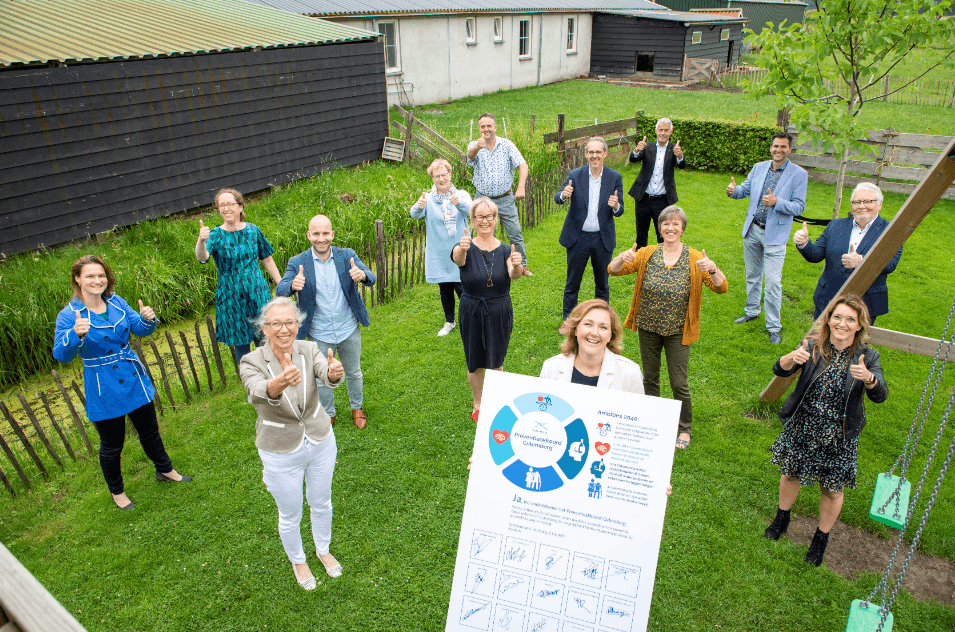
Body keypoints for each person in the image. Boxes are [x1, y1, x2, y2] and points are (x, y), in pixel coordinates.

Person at [53, 255, 190, 510]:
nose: (97, 280)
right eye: (90, 276)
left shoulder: (116, 302)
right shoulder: (68, 315)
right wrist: (74, 334)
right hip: (103, 385)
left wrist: (148, 318)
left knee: (150, 431)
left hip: (132, 375)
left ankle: (165, 469)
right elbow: (61, 355)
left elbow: (139, 328)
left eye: (101, 275)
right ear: (78, 279)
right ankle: (117, 492)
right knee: (112, 445)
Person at [764, 294, 887, 567]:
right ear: (829, 319)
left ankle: (821, 538)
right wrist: (788, 358)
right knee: (790, 473)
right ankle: (781, 518)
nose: (842, 323)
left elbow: (880, 395)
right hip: (803, 426)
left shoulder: (867, 356)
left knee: (831, 489)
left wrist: (868, 379)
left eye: (850, 320)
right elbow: (781, 370)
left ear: (859, 325)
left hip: (839, 436)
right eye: (838, 317)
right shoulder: (812, 345)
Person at [239, 297, 346, 590]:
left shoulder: (309, 349)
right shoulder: (251, 361)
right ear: (264, 327)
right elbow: (258, 391)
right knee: (290, 513)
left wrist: (333, 374)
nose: (284, 329)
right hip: (279, 450)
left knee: (321, 502)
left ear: (298, 324)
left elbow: (326, 371)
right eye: (276, 323)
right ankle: (299, 561)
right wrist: (281, 382)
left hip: (321, 438)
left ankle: (322, 550)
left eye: (289, 322)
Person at [609, 206, 728, 449]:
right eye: (666, 224)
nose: (670, 228)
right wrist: (622, 257)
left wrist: (713, 268)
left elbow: (721, 287)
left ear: (682, 229)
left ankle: (684, 429)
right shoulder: (646, 253)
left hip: (678, 330)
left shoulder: (695, 259)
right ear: (660, 228)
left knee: (678, 382)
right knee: (650, 378)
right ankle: (653, 422)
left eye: (675, 224)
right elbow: (613, 270)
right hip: (648, 326)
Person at [275, 215, 376, 429]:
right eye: (316, 234)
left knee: (354, 371)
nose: (321, 239)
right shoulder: (297, 262)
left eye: (325, 233)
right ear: (309, 235)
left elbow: (371, 276)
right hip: (318, 332)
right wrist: (293, 284)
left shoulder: (346, 255)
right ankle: (328, 414)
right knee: (321, 378)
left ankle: (357, 408)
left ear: (332, 234)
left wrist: (362, 275)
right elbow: (280, 289)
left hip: (348, 328)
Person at [726, 132, 808, 344]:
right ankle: (752, 311)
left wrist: (776, 201)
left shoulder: (798, 174)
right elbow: (745, 189)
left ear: (790, 150)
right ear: (770, 147)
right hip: (753, 230)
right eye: (775, 146)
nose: (778, 150)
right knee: (752, 275)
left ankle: (774, 327)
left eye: (783, 147)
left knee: (772, 282)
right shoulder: (759, 167)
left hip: (776, 235)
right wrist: (733, 191)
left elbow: (799, 206)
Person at [452, 198, 524, 421]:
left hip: (499, 309)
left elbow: (514, 275)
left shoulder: (505, 250)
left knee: (496, 360)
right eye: (480, 217)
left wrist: (516, 265)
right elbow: (458, 260)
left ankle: (494, 401)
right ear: (473, 220)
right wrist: (462, 249)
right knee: (475, 361)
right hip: (472, 308)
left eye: (489, 216)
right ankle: (478, 401)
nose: (485, 221)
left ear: (495, 219)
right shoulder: (464, 246)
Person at [793, 182, 902, 324]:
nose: (861, 206)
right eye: (856, 202)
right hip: (828, 297)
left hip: (865, 302)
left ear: (879, 204)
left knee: (856, 345)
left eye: (867, 201)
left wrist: (861, 261)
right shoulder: (835, 225)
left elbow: (891, 264)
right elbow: (816, 255)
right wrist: (804, 243)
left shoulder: (891, 231)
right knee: (819, 342)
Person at [195, 188, 282, 363]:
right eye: (221, 205)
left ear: (241, 206)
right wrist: (201, 240)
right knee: (241, 345)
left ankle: (273, 380)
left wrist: (281, 284)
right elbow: (202, 257)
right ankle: (251, 384)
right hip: (231, 297)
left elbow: (267, 258)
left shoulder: (252, 230)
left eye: (229, 204)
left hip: (257, 293)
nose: (226, 208)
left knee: (265, 338)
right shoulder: (215, 235)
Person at [555, 137, 625, 321]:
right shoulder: (575, 175)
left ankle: (602, 321)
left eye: (598, 152)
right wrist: (563, 195)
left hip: (602, 239)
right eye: (591, 152)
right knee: (572, 284)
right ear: (586, 154)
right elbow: (558, 197)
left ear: (605, 153)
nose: (595, 156)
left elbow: (620, 210)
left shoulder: (615, 177)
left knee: (602, 285)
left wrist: (616, 206)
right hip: (578, 238)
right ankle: (568, 322)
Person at [410, 158, 473, 336]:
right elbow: (414, 214)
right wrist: (418, 206)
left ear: (450, 174)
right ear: (432, 179)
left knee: (463, 288)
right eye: (437, 176)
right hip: (439, 251)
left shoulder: (460, 194)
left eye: (444, 174)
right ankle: (450, 321)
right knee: (445, 288)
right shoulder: (428, 198)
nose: (441, 179)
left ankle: (470, 320)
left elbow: (471, 211)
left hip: (459, 249)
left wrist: (457, 203)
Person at [467, 112, 533, 277]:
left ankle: (522, 265)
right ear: (479, 129)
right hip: (483, 199)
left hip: (505, 198)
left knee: (515, 232)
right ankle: (488, 266)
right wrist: (477, 146)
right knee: (485, 232)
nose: (486, 129)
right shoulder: (474, 146)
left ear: (495, 127)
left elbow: (523, 165)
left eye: (489, 126)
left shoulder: (506, 145)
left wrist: (521, 187)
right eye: (483, 126)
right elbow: (470, 156)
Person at [540, 299, 643, 392]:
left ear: (610, 336)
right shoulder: (550, 367)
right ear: (575, 329)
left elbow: (638, 412)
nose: (594, 333)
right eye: (588, 324)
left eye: (603, 327)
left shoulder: (630, 373)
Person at [628, 118, 686, 249]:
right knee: (641, 234)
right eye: (661, 130)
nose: (663, 133)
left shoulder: (673, 149)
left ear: (671, 132)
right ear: (656, 131)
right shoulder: (647, 147)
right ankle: (641, 264)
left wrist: (680, 156)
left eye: (666, 130)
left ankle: (663, 263)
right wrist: (637, 150)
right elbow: (633, 159)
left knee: (662, 234)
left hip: (662, 200)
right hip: (643, 198)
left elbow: (681, 165)